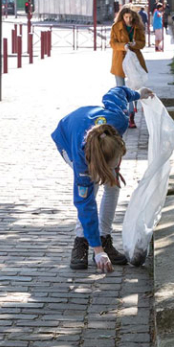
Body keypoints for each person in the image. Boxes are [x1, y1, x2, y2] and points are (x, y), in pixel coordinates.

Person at [51, 86, 154, 272]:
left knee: (113, 186)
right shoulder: (82, 162)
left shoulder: (119, 120)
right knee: (92, 187)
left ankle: (104, 238)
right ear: (100, 163)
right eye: (110, 166)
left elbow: (117, 92)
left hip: (96, 137)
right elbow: (85, 204)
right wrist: (97, 251)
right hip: (67, 135)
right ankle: (81, 241)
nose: (114, 168)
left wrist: (138, 94)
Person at [110, 6, 147, 128]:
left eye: (130, 17)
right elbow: (112, 43)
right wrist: (123, 46)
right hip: (120, 61)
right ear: (122, 16)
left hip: (134, 60)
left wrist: (135, 44)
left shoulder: (138, 27)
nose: (128, 20)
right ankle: (123, 115)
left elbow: (142, 43)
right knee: (121, 90)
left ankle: (131, 115)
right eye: (126, 17)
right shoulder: (116, 27)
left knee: (134, 88)